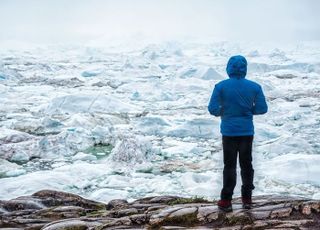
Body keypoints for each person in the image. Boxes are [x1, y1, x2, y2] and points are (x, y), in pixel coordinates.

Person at [208, 55, 268, 212]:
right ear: (245, 68)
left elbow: (212, 109)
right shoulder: (255, 87)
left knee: (229, 165)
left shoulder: (220, 86)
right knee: (246, 164)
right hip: (247, 132)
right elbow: (262, 108)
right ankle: (247, 198)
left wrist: (224, 112)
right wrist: (248, 111)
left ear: (228, 68)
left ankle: (226, 200)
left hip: (228, 132)